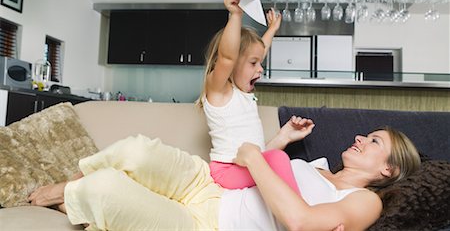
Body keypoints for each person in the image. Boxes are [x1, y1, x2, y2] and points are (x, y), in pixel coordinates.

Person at [28, 122, 421, 231]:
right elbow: (265, 173)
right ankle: (71, 188)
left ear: (389, 169)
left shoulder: (366, 203)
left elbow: (299, 221)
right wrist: (278, 141)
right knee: (136, 149)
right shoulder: (318, 166)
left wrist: (254, 157)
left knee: (105, 188)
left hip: (209, 225)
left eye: (372, 141)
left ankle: (75, 195)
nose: (359, 138)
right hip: (209, 185)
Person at [197, 0, 305, 194]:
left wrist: (272, 30)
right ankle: (299, 211)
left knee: (275, 161)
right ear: (232, 64)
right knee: (277, 159)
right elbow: (228, 57)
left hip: (247, 165)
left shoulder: (242, 94)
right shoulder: (219, 92)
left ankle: (296, 209)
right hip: (227, 171)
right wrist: (236, 15)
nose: (261, 68)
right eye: (253, 63)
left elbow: (259, 50)